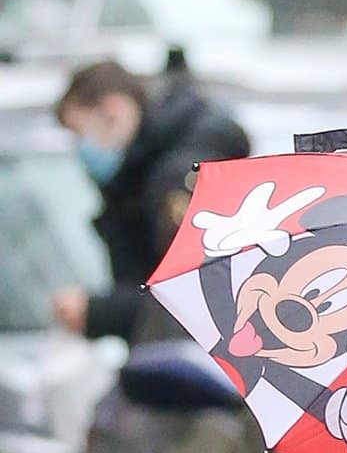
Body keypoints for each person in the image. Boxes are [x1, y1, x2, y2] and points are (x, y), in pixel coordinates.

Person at [52, 58, 250, 342]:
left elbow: (195, 295)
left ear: (112, 111)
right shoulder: (134, 177)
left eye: (82, 133)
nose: (83, 148)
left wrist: (100, 312)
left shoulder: (174, 177)